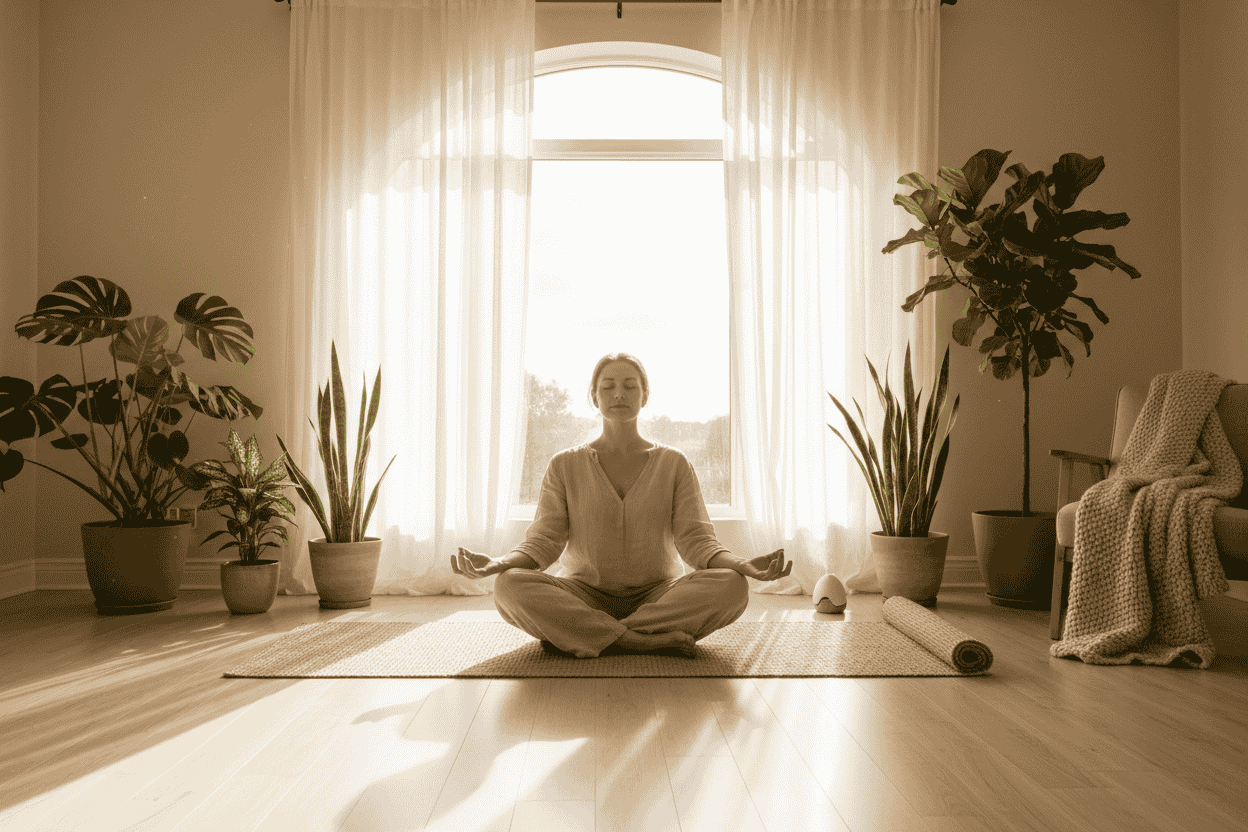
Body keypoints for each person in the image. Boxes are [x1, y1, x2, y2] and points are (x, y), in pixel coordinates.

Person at [451, 352, 791, 658]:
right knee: (509, 585)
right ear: (594, 397)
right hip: (582, 593)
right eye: (608, 386)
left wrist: (742, 565)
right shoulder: (564, 465)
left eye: (630, 386)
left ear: (645, 396)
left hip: (658, 595)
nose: (618, 394)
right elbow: (544, 541)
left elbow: (697, 541)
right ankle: (639, 640)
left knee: (732, 586)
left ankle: (587, 634)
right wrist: (498, 563)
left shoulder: (674, 463)